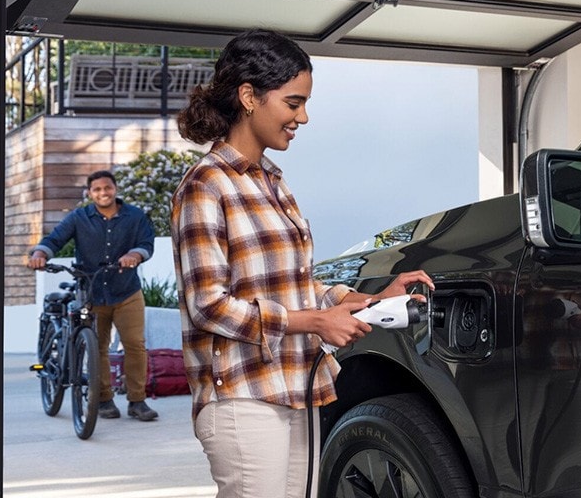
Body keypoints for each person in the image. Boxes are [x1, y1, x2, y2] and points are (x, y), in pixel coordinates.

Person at [170, 28, 433, 497]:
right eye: (293, 103)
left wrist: (369, 300)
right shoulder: (206, 185)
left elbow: (295, 284)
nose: (303, 117)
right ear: (249, 96)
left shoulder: (273, 183)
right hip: (242, 397)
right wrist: (316, 321)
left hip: (296, 386)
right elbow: (207, 305)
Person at [28, 170, 159, 421]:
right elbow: (55, 239)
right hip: (91, 292)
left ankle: (137, 401)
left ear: (115, 189)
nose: (103, 193)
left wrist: (136, 254)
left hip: (126, 291)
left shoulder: (134, 216)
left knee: (135, 345)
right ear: (90, 193)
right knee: (97, 347)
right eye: (97, 190)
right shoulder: (79, 217)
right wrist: (40, 254)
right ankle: (104, 400)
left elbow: (146, 243)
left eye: (107, 188)